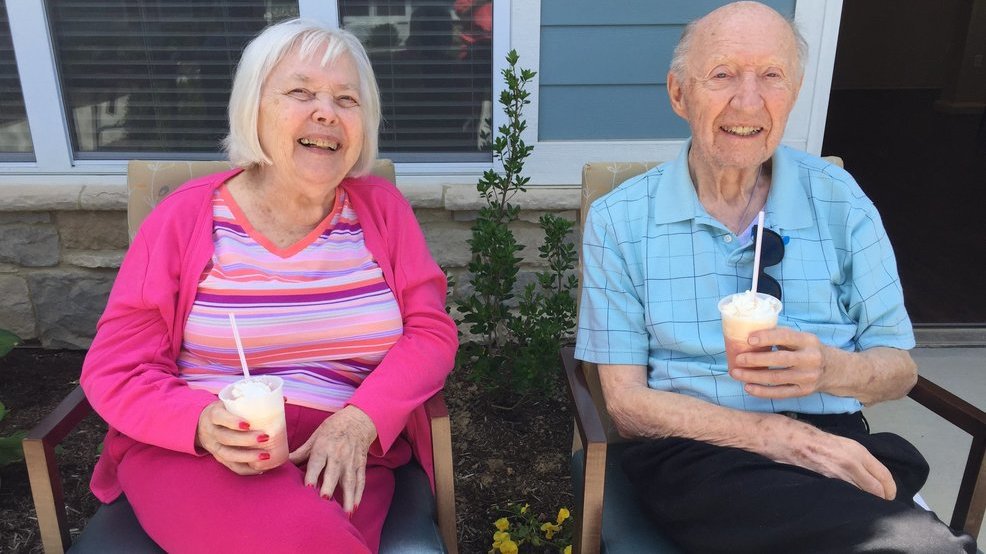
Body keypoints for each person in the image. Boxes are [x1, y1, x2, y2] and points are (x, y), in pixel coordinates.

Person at [574, 2, 976, 552]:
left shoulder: (840, 200)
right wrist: (781, 437)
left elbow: (899, 371)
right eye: (722, 75)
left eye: (771, 76)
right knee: (909, 541)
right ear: (679, 94)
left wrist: (831, 368)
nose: (748, 101)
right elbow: (626, 405)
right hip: (701, 451)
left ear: (795, 91)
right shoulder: (621, 220)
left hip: (833, 439)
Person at [80, 19, 457, 553]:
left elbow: (430, 334)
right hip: (208, 451)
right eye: (301, 92)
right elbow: (116, 366)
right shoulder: (184, 218)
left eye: (346, 99)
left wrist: (360, 422)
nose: (325, 112)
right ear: (253, 108)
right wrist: (201, 422)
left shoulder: (383, 211)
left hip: (341, 449)